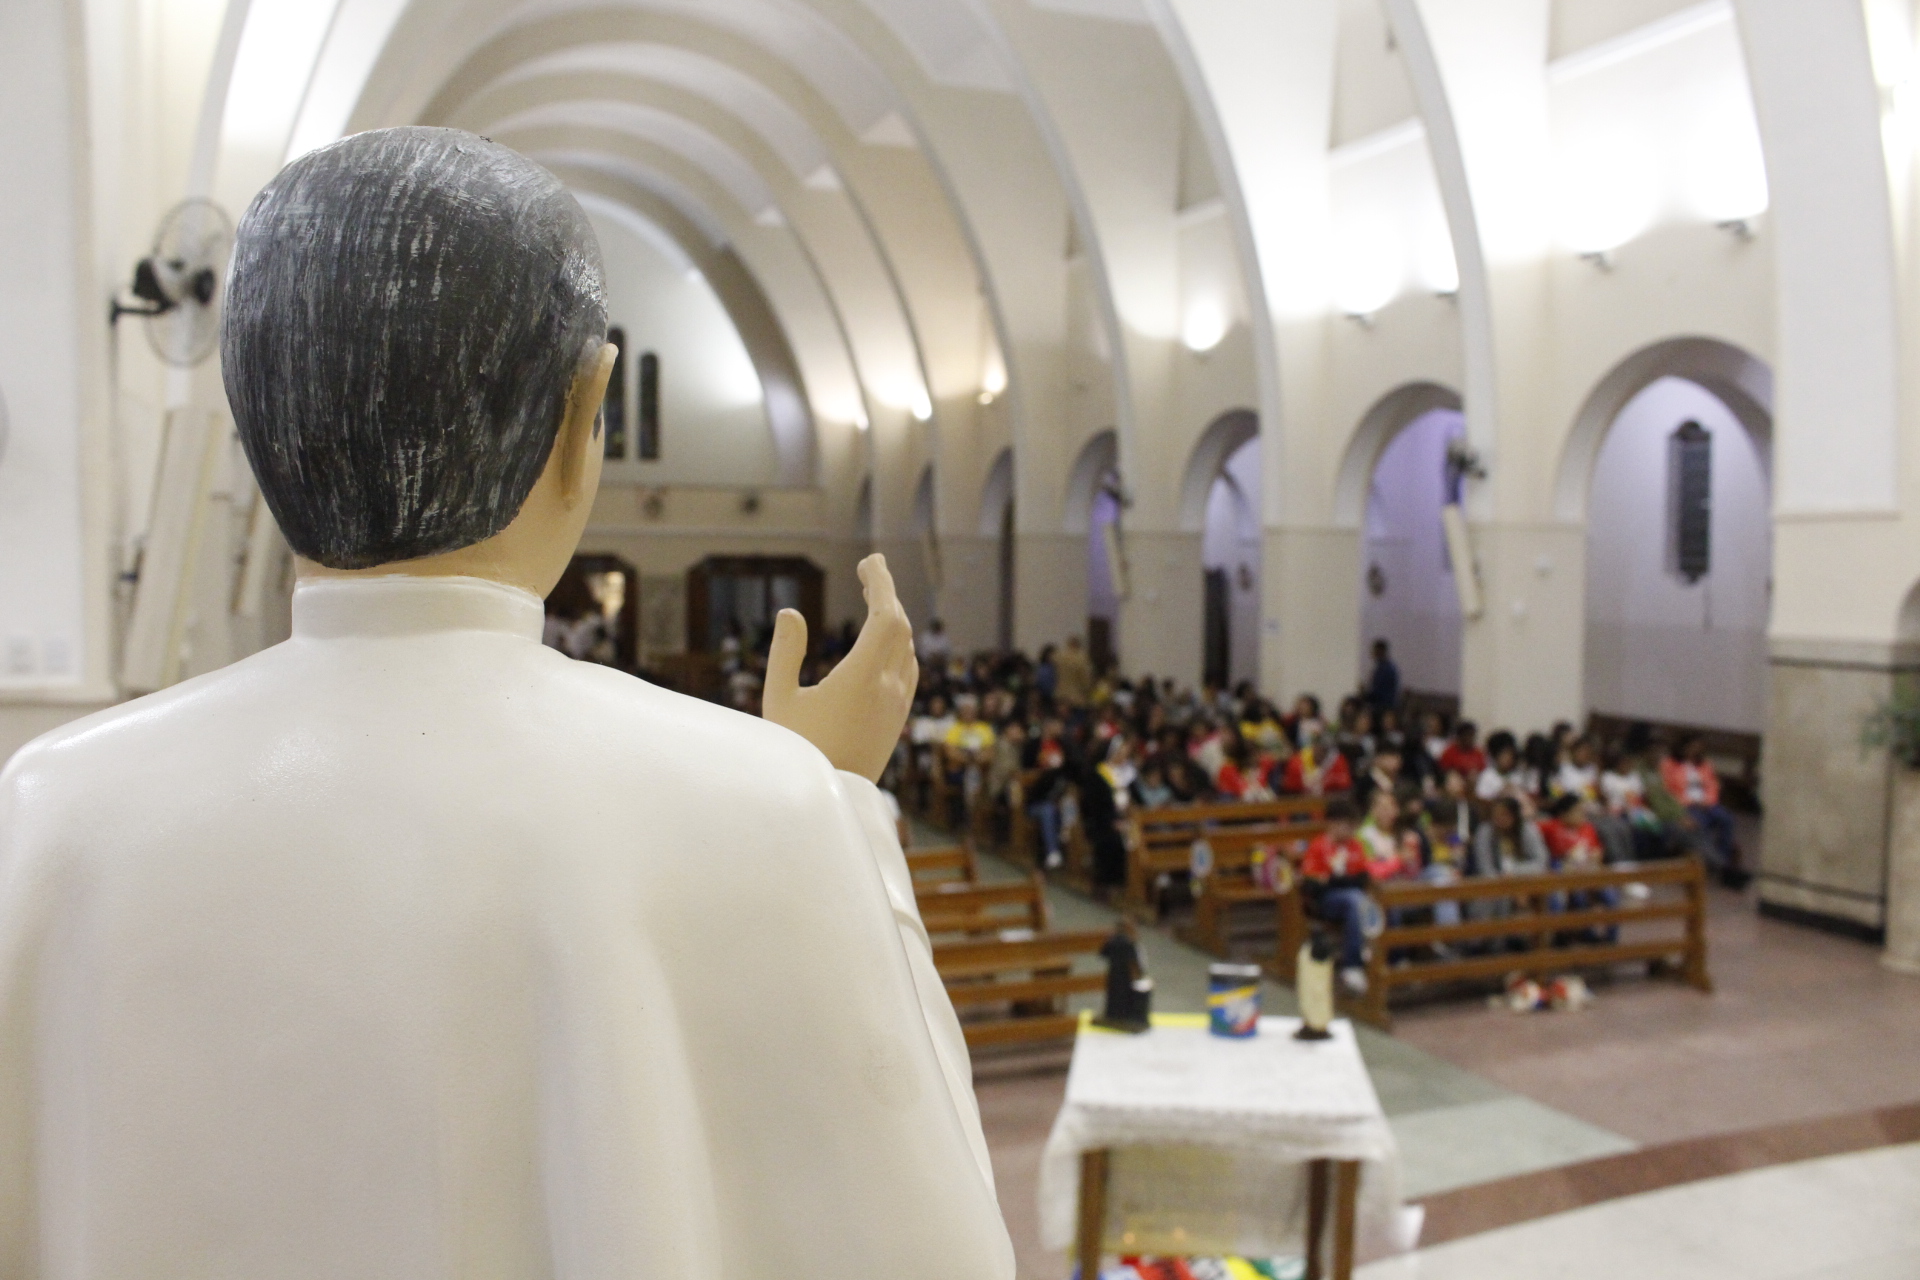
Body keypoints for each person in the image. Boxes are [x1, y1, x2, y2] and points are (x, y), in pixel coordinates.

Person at [0, 128, 1012, 1278]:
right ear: (585, 413)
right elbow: (937, 1246)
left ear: (255, 411)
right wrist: (832, 800)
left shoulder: (47, 811)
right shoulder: (766, 801)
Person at [1301, 799, 1402, 994]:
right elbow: (1313, 885)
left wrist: (1336, 880)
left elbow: (1362, 877)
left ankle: (1392, 960)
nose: (1352, 831)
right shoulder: (1318, 846)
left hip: (1355, 897)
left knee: (1384, 901)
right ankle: (1352, 966)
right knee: (1355, 900)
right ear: (1333, 823)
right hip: (1327, 902)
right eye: (1348, 826)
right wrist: (1340, 881)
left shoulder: (1355, 845)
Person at [1661, 735, 1749, 886]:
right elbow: (1668, 791)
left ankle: (1723, 858)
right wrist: (1690, 801)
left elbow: (1712, 785)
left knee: (1726, 819)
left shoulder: (1704, 764)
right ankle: (1717, 865)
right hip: (1686, 805)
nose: (1695, 750)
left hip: (1706, 804)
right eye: (1692, 747)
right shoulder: (1670, 764)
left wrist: (1708, 801)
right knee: (1699, 824)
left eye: (1698, 747)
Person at [1282, 727, 1353, 796]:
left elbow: (1345, 788)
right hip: (1302, 800)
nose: (1319, 750)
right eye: (1317, 745)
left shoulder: (1338, 761)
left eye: (1323, 748)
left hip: (1330, 800)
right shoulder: (1298, 761)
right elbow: (1290, 789)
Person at [1054, 634, 1095, 707]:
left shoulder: (1058, 656)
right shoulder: (1081, 658)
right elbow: (1085, 680)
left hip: (1060, 695)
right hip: (1076, 697)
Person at [1366, 638, 1401, 714]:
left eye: (1375, 651)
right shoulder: (1382, 667)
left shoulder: (1386, 669)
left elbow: (1379, 692)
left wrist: (1366, 695)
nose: (1373, 654)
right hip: (1381, 705)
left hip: (1383, 707)